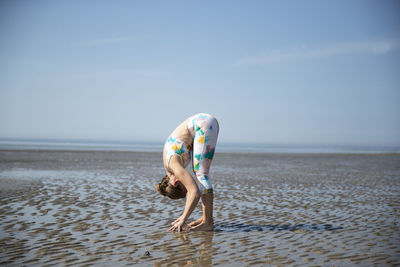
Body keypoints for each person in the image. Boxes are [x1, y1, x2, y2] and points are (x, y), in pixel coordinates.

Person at [156, 113, 219, 232]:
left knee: (201, 175)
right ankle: (206, 218)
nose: (187, 184)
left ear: (175, 183)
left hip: (202, 124)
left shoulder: (174, 166)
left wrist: (183, 218)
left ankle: (208, 222)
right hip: (202, 123)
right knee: (200, 173)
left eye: (184, 188)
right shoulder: (169, 168)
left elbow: (194, 192)